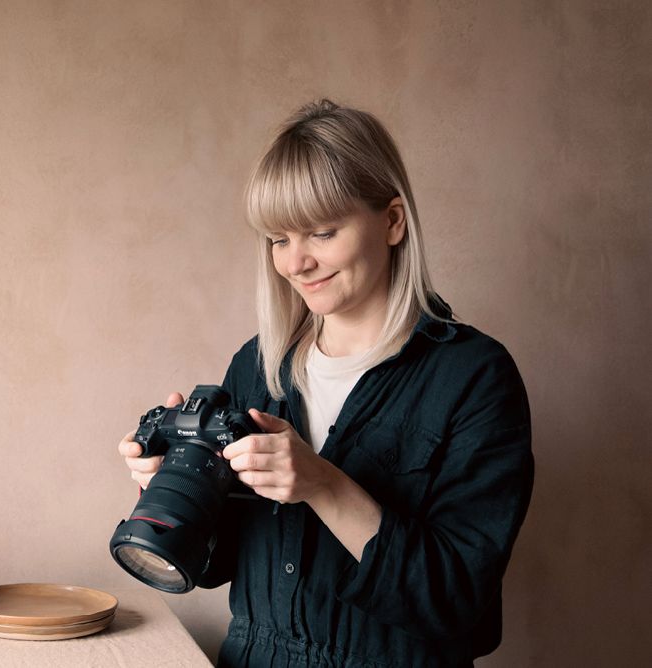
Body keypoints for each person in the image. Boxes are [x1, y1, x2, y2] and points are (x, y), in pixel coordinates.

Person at [118, 99, 533, 667]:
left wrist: (324, 484)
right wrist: (173, 487)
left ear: (392, 221)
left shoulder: (474, 378)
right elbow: (215, 565)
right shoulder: (257, 367)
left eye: (320, 231)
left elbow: (458, 599)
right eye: (278, 238)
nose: (295, 263)